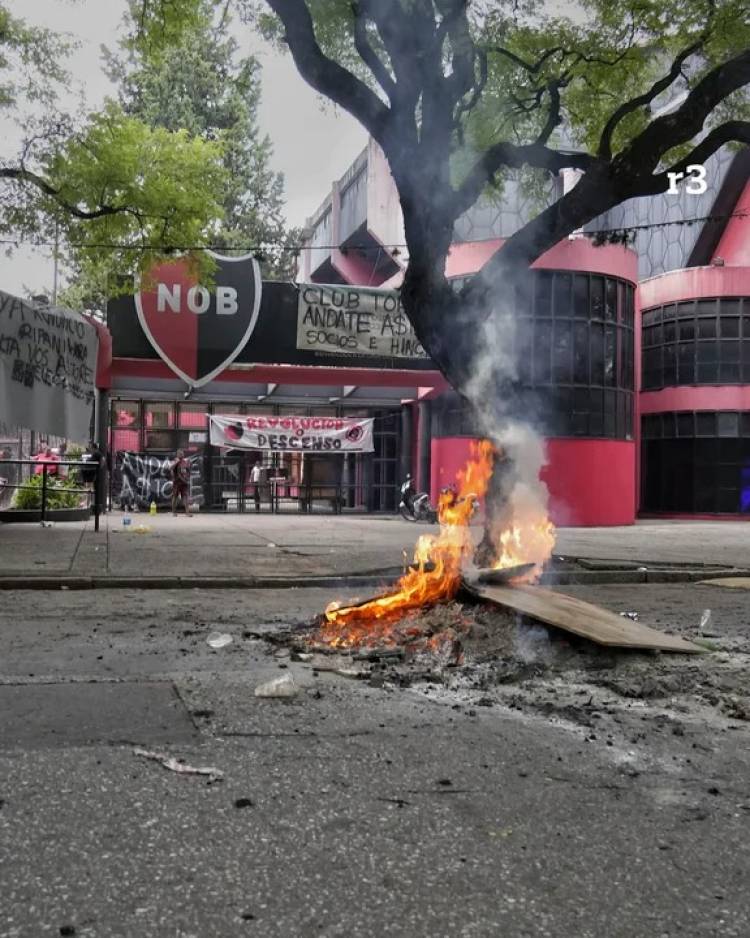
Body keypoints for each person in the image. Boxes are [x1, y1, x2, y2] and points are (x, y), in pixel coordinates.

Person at [171, 449, 192, 516]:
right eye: (180, 454)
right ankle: (174, 511)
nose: (181, 455)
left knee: (185, 496)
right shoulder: (175, 461)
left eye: (182, 453)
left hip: (184, 482)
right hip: (177, 482)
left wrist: (187, 477)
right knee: (175, 496)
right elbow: (170, 468)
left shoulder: (185, 462)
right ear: (177, 455)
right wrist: (176, 462)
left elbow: (188, 470)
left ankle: (187, 512)